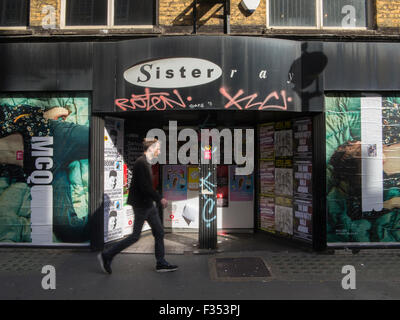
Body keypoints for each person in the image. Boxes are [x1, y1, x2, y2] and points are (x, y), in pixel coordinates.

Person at [98, 138, 178, 274]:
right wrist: (160, 199)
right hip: (142, 206)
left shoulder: (146, 163)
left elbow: (146, 187)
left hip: (148, 205)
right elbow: (145, 187)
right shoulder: (141, 163)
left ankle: (161, 263)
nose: (159, 150)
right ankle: (107, 255)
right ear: (151, 148)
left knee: (159, 232)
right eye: (158, 148)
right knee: (135, 236)